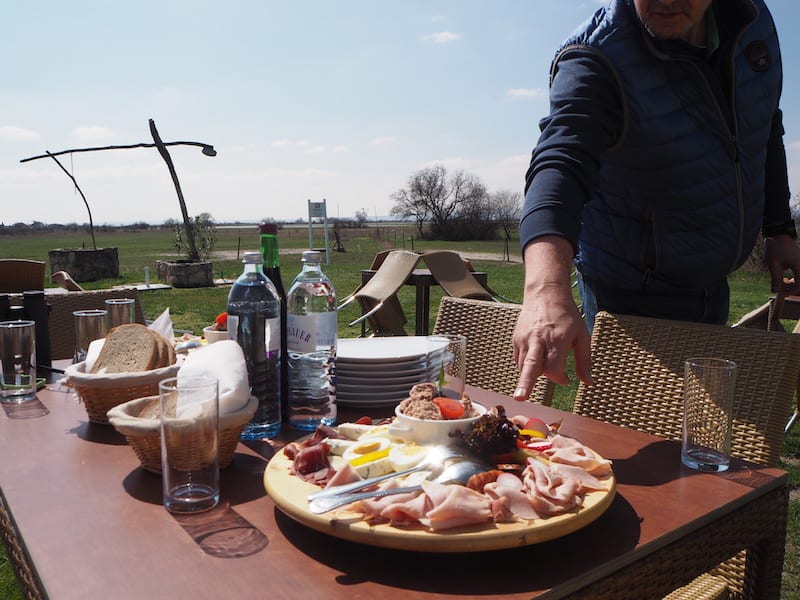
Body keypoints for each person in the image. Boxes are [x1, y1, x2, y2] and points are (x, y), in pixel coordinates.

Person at [512, 0, 800, 401]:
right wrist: (545, 288)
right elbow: (561, 162)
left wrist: (779, 228)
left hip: (710, 280)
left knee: (697, 436)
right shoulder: (597, 56)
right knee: (628, 443)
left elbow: (762, 123)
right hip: (629, 295)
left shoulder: (754, 22)